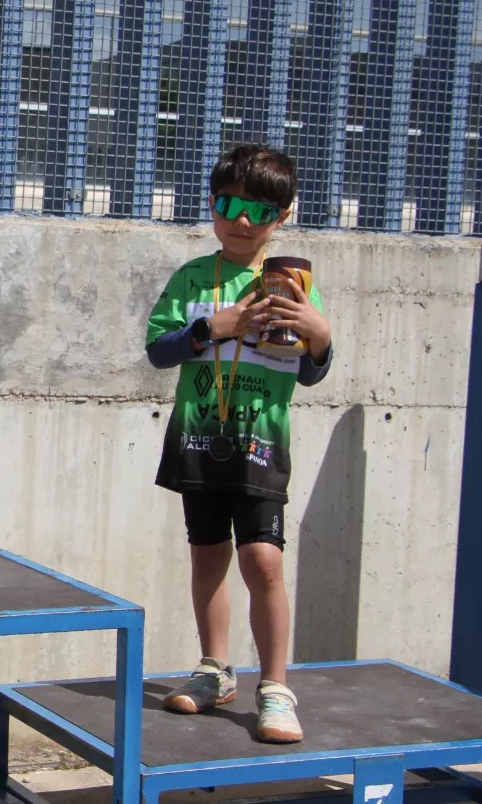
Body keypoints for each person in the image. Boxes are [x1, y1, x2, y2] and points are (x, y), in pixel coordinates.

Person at [144, 144, 333, 744]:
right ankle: (214, 668)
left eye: (258, 209)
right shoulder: (192, 277)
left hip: (261, 440)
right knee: (207, 556)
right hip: (199, 437)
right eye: (228, 204)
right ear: (211, 204)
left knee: (263, 560)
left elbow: (309, 371)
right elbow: (157, 349)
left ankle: (275, 686)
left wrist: (321, 337)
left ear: (282, 216)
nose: (241, 220)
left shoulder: (294, 284)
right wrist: (210, 328)